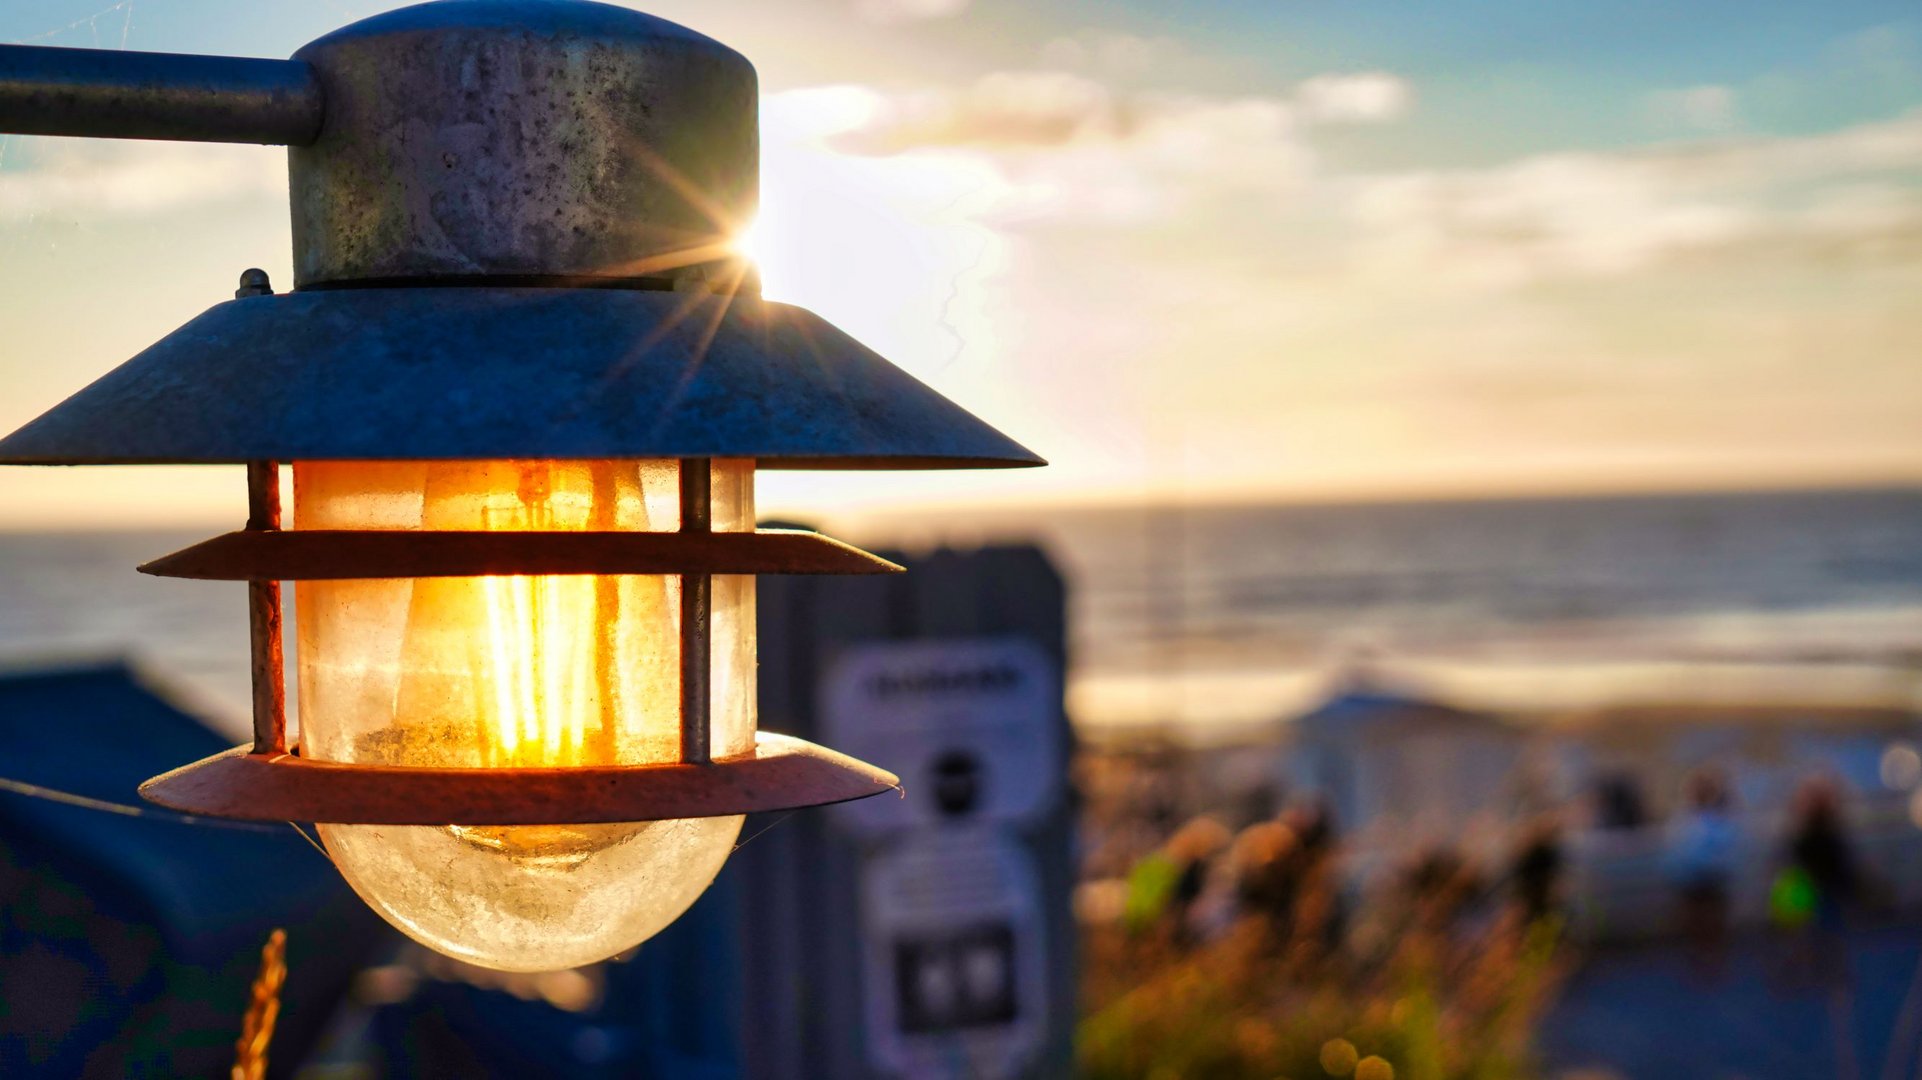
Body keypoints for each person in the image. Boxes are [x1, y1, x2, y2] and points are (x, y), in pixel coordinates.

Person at [1667, 767, 1739, 980]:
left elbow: (1679, 849)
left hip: (1705, 877)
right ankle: (1706, 959)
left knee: (1707, 919)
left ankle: (1709, 959)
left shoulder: (1696, 820)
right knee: (1702, 919)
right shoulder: (1699, 819)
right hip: (1699, 877)